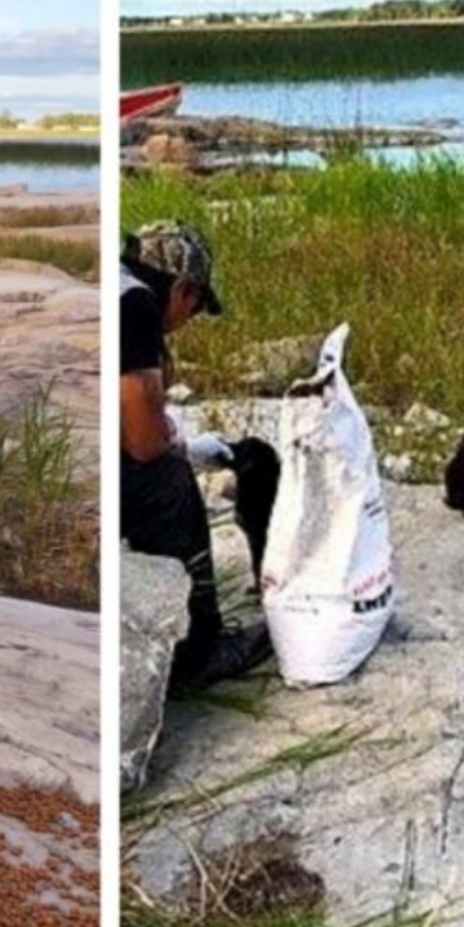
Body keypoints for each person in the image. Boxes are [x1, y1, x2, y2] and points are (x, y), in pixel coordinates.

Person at [119, 219, 272, 690]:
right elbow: (145, 443)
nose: (188, 320)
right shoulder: (136, 305)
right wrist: (182, 450)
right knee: (169, 482)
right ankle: (199, 648)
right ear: (184, 290)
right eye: (197, 307)